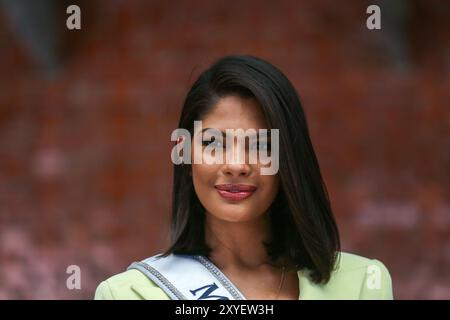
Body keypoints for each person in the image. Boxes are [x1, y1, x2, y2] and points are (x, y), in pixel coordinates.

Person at [94, 55, 393, 300]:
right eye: (213, 143)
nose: (236, 165)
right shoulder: (130, 294)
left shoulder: (362, 285)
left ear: (288, 158)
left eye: (261, 145)